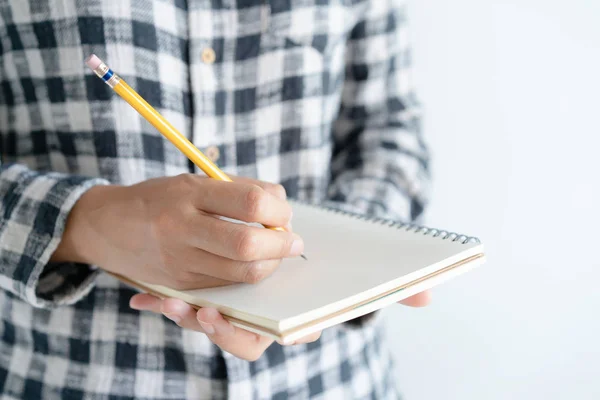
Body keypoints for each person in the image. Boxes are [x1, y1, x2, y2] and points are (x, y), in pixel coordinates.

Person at [0, 0, 431, 398]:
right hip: (71, 375)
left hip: (334, 380)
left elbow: (387, 128)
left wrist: (353, 273)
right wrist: (90, 223)